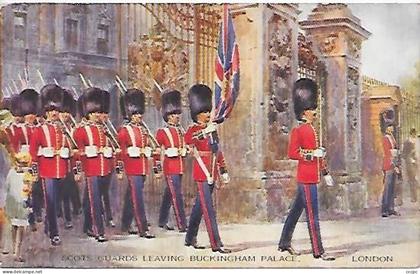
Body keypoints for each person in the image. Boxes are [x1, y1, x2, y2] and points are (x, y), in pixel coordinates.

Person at [278, 78, 335, 261]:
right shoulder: (298, 131)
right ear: (304, 111)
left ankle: (284, 243)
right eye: (312, 109)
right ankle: (318, 251)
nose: (315, 112)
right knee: (312, 216)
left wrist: (325, 173)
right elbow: (293, 154)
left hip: (313, 176)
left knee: (296, 211)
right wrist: (312, 155)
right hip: (305, 178)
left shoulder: (312, 129)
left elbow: (318, 153)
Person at [184, 84, 231, 253]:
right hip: (202, 172)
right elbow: (189, 142)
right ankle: (216, 244)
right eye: (204, 112)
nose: (207, 114)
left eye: (208, 111)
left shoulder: (211, 129)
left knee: (199, 206)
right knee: (209, 209)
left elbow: (217, 151)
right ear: (197, 113)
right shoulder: (193, 130)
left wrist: (223, 170)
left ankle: (189, 238)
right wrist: (204, 133)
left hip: (212, 171)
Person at [29, 84, 70, 246]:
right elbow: (33, 151)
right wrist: (46, 153)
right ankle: (54, 233)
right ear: (46, 112)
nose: (54, 113)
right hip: (47, 171)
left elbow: (67, 147)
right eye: (51, 111)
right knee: (51, 202)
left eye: (56, 111)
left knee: (56, 201)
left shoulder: (63, 130)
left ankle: (47, 226)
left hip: (61, 170)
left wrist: (64, 153)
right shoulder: (40, 130)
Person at [73, 87, 115, 242]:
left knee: (90, 199)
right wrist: (78, 170)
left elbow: (111, 147)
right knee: (95, 200)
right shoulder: (81, 131)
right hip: (91, 169)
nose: (98, 115)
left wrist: (108, 151)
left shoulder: (104, 129)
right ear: (88, 113)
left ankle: (87, 226)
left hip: (104, 169)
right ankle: (98, 230)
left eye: (99, 112)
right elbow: (76, 152)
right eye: (94, 112)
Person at [117, 88, 155, 238]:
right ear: (129, 114)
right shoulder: (124, 131)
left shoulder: (143, 130)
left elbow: (147, 146)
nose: (139, 116)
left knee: (131, 196)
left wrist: (147, 151)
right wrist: (130, 154)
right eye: (135, 114)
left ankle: (125, 224)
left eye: (140, 113)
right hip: (132, 168)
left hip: (142, 167)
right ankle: (143, 228)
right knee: (137, 198)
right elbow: (120, 151)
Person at [155, 90, 188, 233]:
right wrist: (158, 169)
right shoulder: (162, 132)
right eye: (173, 115)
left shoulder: (181, 131)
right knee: (177, 195)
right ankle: (182, 224)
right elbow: (158, 152)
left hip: (179, 166)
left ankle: (162, 220)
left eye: (177, 114)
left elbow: (186, 146)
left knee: (170, 193)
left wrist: (184, 151)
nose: (176, 117)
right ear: (167, 116)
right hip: (170, 166)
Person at [4, 152, 33, 262]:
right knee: (19, 227)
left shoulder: (12, 173)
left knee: (15, 226)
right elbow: (28, 191)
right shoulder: (27, 175)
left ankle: (15, 250)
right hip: (20, 203)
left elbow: (7, 186)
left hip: (14, 202)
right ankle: (16, 251)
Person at [379, 108, 401, 217]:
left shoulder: (392, 137)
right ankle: (384, 209)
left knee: (392, 187)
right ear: (386, 128)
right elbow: (388, 154)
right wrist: (393, 165)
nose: (391, 128)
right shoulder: (385, 138)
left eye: (391, 126)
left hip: (393, 164)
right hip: (388, 165)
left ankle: (391, 208)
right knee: (387, 188)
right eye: (389, 127)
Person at [402, 128, 418, 203]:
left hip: (416, 162)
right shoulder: (407, 142)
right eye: (413, 134)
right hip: (410, 162)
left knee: (415, 180)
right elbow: (404, 154)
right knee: (412, 180)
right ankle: (414, 197)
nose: (414, 135)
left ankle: (415, 197)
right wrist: (410, 157)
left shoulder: (416, 141)